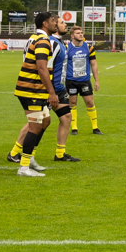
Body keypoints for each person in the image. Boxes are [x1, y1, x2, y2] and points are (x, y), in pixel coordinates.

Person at [7, 12, 57, 177]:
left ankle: (30, 158)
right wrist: (52, 92)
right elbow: (42, 68)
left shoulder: (35, 38)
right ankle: (23, 167)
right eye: (53, 21)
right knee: (34, 126)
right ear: (45, 24)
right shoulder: (42, 41)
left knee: (45, 121)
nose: (55, 24)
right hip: (32, 89)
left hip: (34, 88)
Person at [47, 20, 79, 161]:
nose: (65, 25)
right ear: (54, 26)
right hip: (50, 89)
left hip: (59, 88)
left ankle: (60, 154)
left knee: (66, 117)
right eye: (61, 23)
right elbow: (46, 67)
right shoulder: (52, 43)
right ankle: (15, 152)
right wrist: (50, 91)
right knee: (38, 122)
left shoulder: (60, 43)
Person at [64, 25, 103, 135]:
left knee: (90, 102)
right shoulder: (66, 48)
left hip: (84, 80)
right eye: (78, 33)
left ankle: (95, 128)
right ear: (72, 36)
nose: (81, 34)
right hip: (71, 80)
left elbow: (94, 64)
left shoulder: (89, 47)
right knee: (72, 103)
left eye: (81, 32)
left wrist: (96, 80)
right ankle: (74, 128)